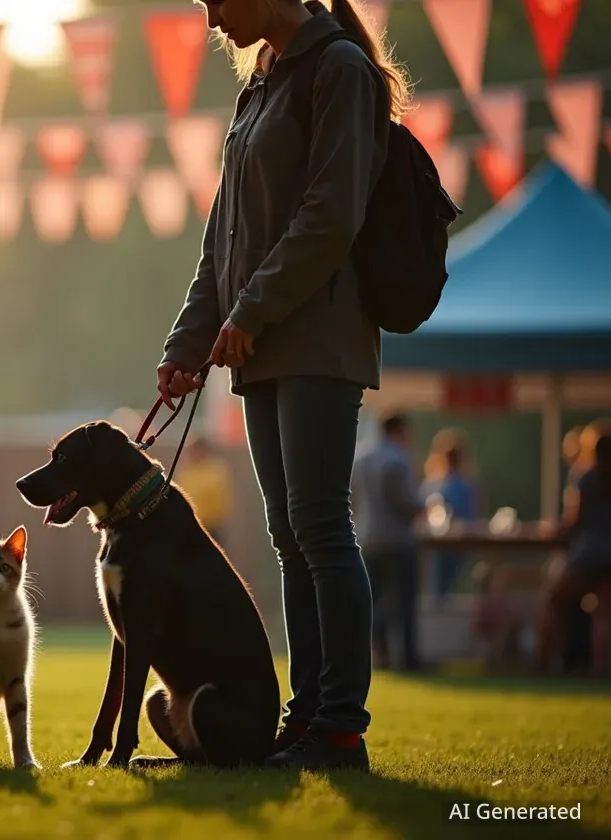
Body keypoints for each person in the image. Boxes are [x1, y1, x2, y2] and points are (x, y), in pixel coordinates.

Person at [157, 0, 410, 771]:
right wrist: (189, 339)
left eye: (219, 2)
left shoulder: (337, 70)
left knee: (322, 529)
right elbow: (223, 232)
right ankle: (305, 722)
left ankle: (340, 728)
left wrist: (254, 308)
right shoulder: (262, 81)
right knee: (290, 537)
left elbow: (332, 215)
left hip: (317, 338)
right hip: (256, 344)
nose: (212, 19)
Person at [353, 412, 424, 673]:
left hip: (367, 539)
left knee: (374, 599)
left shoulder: (361, 457)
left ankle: (377, 653)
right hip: (396, 540)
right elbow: (403, 502)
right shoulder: (396, 458)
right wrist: (423, 508)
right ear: (400, 430)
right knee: (403, 601)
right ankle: (406, 658)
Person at [537, 430, 611, 674]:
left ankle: (542, 665)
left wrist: (554, 531)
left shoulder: (586, 478)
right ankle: (601, 671)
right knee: (604, 615)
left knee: (554, 600)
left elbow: (573, 522)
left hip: (588, 556)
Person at [420, 430, 480, 606]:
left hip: (454, 546)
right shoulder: (438, 484)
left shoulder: (443, 485)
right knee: (441, 586)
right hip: (439, 546)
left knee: (445, 587)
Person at [178, 435, 233, 545]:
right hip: (189, 526)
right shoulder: (186, 471)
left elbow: (220, 501)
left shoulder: (214, 470)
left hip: (210, 527)